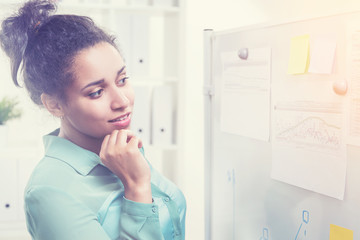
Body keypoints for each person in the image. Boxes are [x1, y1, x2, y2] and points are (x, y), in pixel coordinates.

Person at [0, 0, 186, 239]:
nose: (122, 101)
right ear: (54, 105)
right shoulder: (49, 192)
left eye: (122, 79)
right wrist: (137, 187)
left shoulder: (123, 152)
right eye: (96, 92)